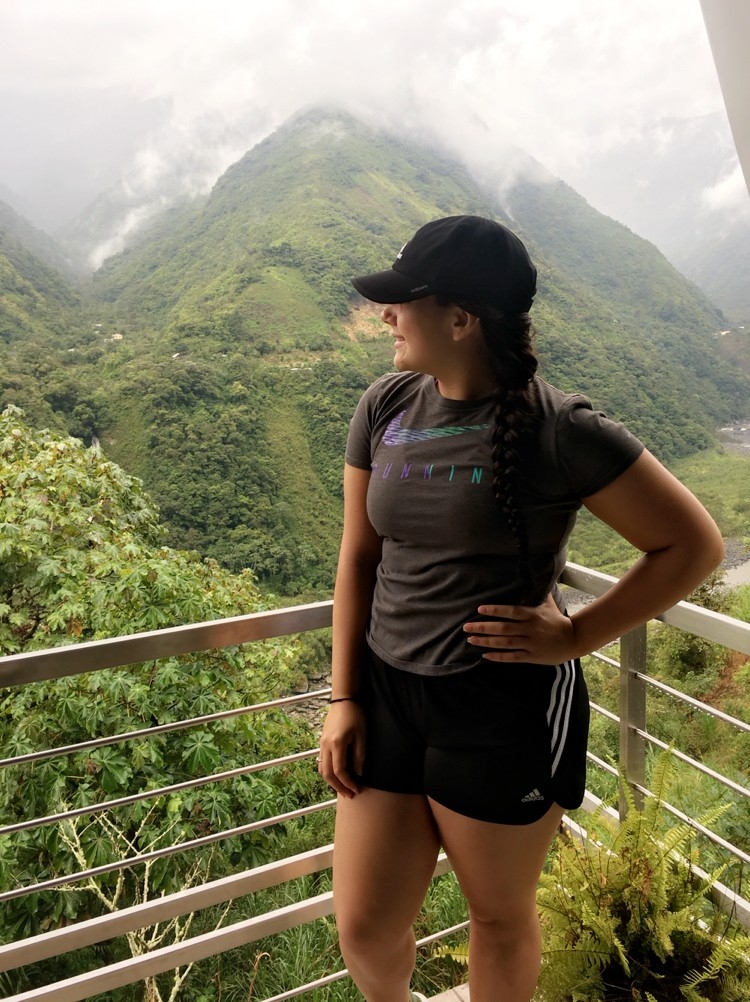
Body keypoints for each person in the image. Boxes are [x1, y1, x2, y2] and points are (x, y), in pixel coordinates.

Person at [317, 214, 724, 1002]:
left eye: (403, 299)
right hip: (389, 692)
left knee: (498, 919)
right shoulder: (386, 404)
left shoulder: (559, 428)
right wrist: (344, 696)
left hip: (500, 706)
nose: (385, 314)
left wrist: (576, 635)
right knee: (364, 925)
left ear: (461, 319)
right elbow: (358, 555)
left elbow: (693, 545)